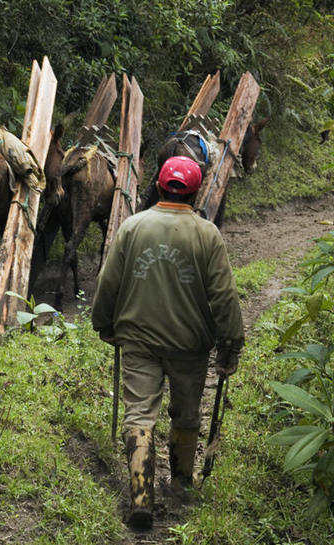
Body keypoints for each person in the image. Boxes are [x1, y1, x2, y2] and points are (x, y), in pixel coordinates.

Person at [90, 155, 244, 531]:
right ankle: (181, 484)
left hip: (139, 341)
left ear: (158, 187)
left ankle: (141, 498)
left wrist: (103, 324)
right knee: (187, 414)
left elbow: (108, 284)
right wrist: (230, 347)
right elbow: (224, 298)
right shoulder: (208, 234)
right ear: (195, 194)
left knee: (139, 415)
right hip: (190, 346)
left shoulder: (132, 227)